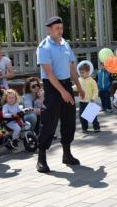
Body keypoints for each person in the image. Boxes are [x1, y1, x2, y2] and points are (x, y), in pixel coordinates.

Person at [36, 16, 85, 173]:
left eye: (61, 28)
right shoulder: (44, 47)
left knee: (69, 120)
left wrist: (79, 86)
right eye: (57, 28)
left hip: (65, 85)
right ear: (49, 30)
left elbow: (71, 67)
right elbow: (49, 74)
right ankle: (41, 158)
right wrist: (62, 92)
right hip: (52, 87)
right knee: (49, 123)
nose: (60, 31)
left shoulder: (65, 44)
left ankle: (67, 154)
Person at [78, 63, 100, 133]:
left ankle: (96, 127)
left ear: (88, 72)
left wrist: (93, 98)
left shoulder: (92, 81)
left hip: (90, 101)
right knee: (82, 116)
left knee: (92, 116)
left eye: (82, 72)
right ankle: (84, 127)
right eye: (80, 72)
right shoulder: (79, 79)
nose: (81, 74)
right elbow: (77, 87)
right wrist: (70, 88)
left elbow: (95, 90)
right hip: (82, 101)